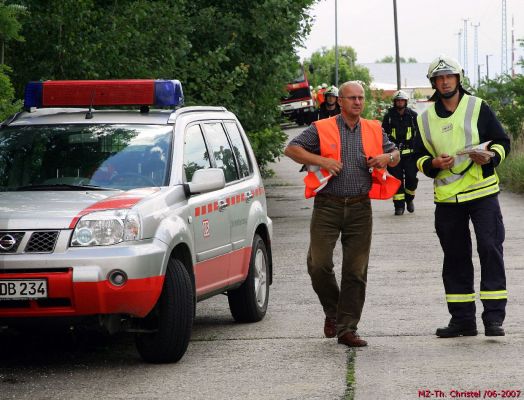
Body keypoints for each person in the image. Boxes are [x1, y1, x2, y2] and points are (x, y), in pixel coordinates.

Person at [284, 81, 400, 347]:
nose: (357, 102)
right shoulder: (322, 128)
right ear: (340, 101)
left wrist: (386, 158)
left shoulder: (373, 128)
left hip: (360, 206)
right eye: (352, 98)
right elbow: (291, 149)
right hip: (328, 205)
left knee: (355, 271)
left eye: (361, 98)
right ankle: (333, 311)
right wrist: (321, 161)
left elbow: (394, 153)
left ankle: (347, 328)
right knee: (318, 265)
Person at [414, 55, 511, 338]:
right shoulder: (425, 119)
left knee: (490, 250)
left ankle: (493, 319)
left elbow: (502, 142)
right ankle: (462, 321)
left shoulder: (478, 107)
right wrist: (432, 164)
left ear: (458, 78)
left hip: (482, 194)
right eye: (439, 78)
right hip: (447, 199)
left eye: (449, 76)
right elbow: (418, 158)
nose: (445, 82)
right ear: (433, 83)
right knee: (455, 258)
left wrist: (491, 156)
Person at [382, 90, 419, 215]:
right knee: (396, 180)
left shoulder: (413, 116)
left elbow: (419, 135)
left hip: (410, 155)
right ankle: (399, 206)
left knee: (411, 179)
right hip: (394, 155)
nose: (399, 102)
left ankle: (409, 199)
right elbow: (382, 134)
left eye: (402, 100)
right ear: (394, 102)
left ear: (406, 102)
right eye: (397, 100)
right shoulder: (389, 117)